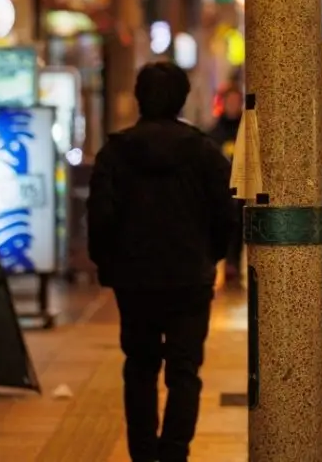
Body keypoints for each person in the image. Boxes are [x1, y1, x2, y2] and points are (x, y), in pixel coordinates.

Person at [88, 61, 237, 462]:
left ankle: (142, 453)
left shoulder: (114, 153)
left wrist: (108, 265)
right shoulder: (205, 152)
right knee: (184, 371)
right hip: (190, 277)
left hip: (134, 279)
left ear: (139, 98)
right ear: (182, 99)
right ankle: (173, 454)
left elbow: (100, 218)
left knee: (139, 365)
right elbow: (227, 213)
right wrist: (212, 254)